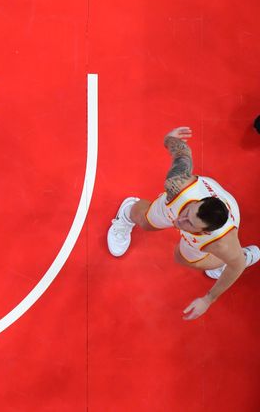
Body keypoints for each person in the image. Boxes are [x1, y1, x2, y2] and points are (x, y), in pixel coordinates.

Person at [107, 126, 259, 320]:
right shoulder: (179, 185)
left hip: (224, 230)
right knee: (146, 222)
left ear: (204, 232)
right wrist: (169, 139)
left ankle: (230, 260)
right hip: (180, 202)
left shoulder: (221, 242)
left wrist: (208, 299)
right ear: (197, 202)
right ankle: (126, 214)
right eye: (188, 213)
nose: (180, 220)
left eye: (189, 223)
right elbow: (183, 155)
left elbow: (237, 266)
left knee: (183, 257)